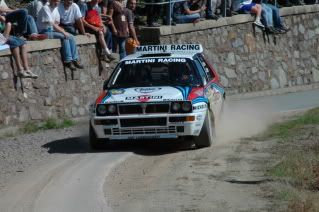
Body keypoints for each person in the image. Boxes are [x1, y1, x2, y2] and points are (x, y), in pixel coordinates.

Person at [37, 0, 84, 70]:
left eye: (58, 1)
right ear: (51, 1)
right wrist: (63, 32)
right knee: (64, 36)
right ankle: (68, 60)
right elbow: (52, 24)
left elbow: (56, 24)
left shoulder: (56, 9)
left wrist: (63, 31)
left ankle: (75, 59)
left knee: (71, 36)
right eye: (55, 1)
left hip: (52, 30)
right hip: (44, 31)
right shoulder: (45, 8)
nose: (57, 3)